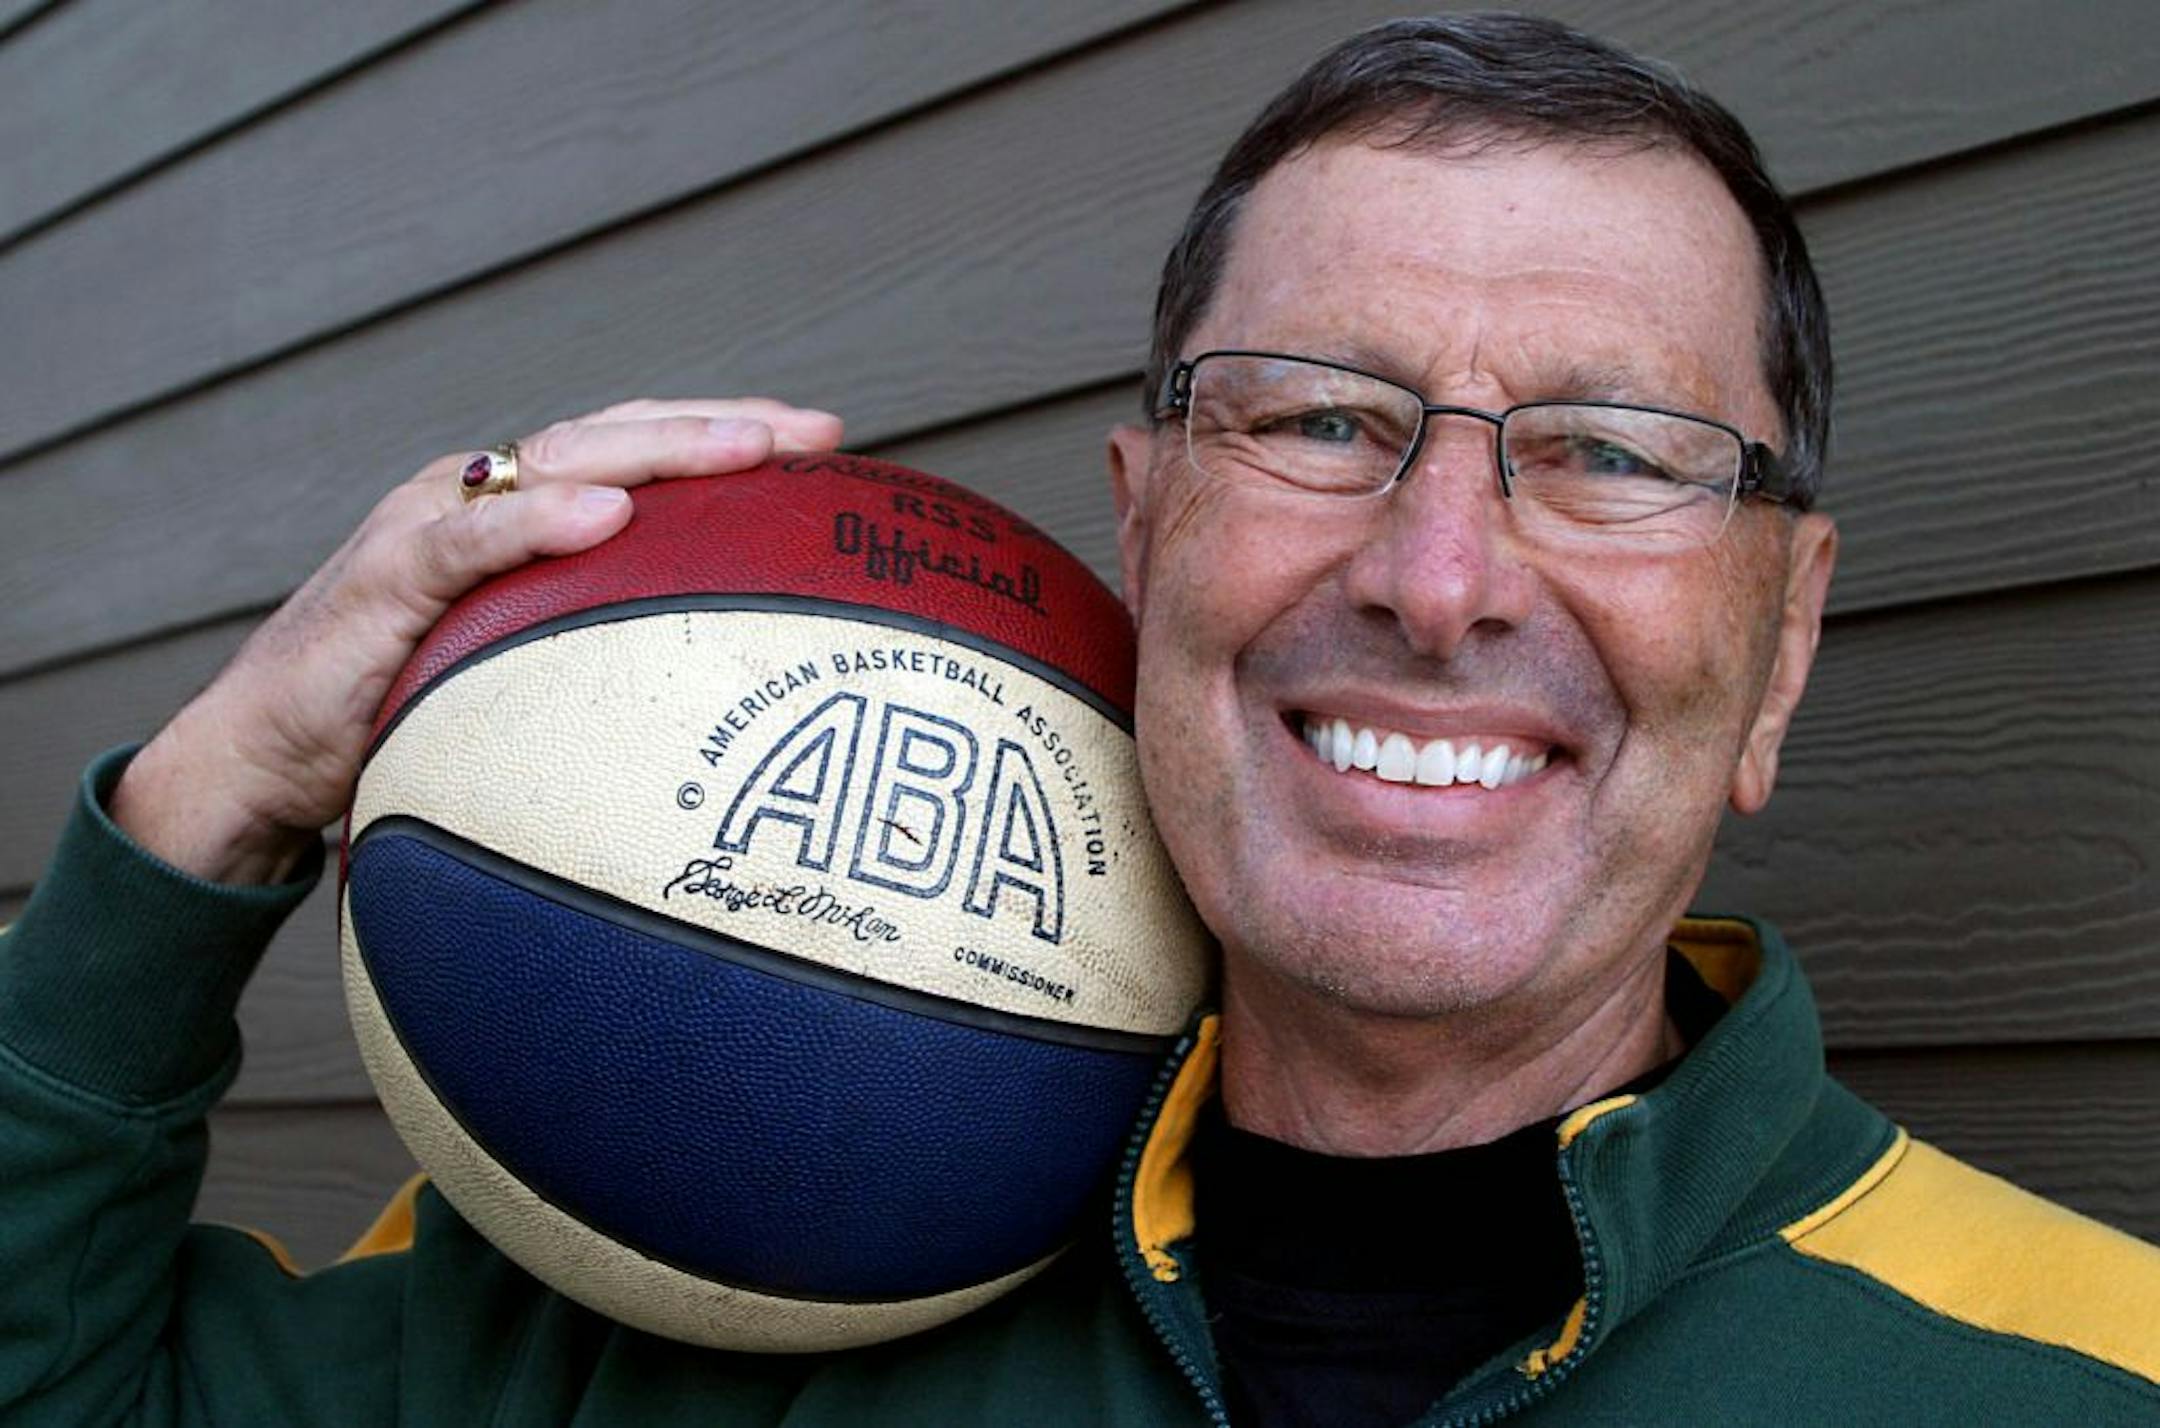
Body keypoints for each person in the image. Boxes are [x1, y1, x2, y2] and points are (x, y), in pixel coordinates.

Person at [4, 13, 2156, 1426]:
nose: (1439, 574)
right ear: (1147, 540)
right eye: (1320, 417)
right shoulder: (689, 1241)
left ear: (1777, 643)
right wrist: (223, 792)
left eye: (1611, 448)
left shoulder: (2080, 1380)